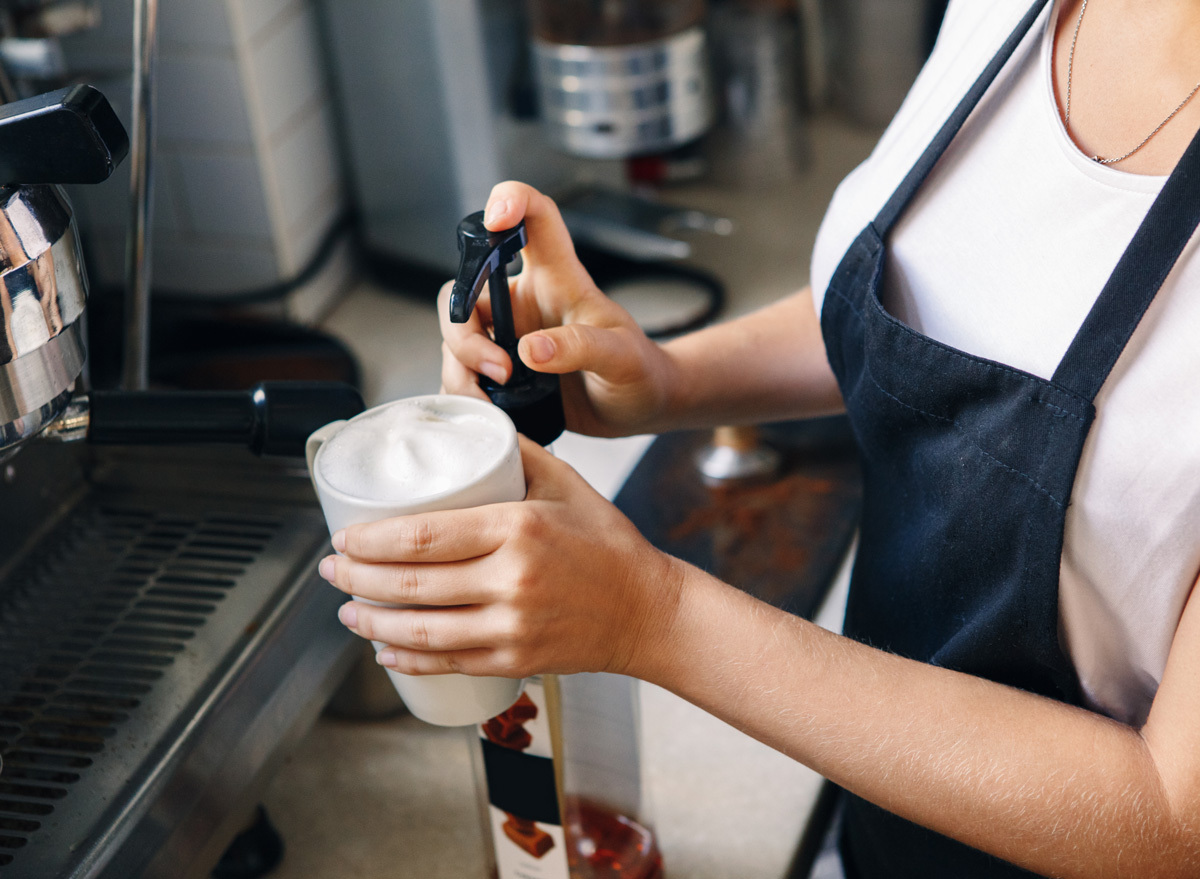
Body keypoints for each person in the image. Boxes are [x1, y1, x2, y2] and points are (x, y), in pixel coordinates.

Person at [316, 1, 1200, 876]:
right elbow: (934, 294)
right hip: (885, 835)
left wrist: (650, 615)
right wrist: (665, 381)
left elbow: (1172, 821)